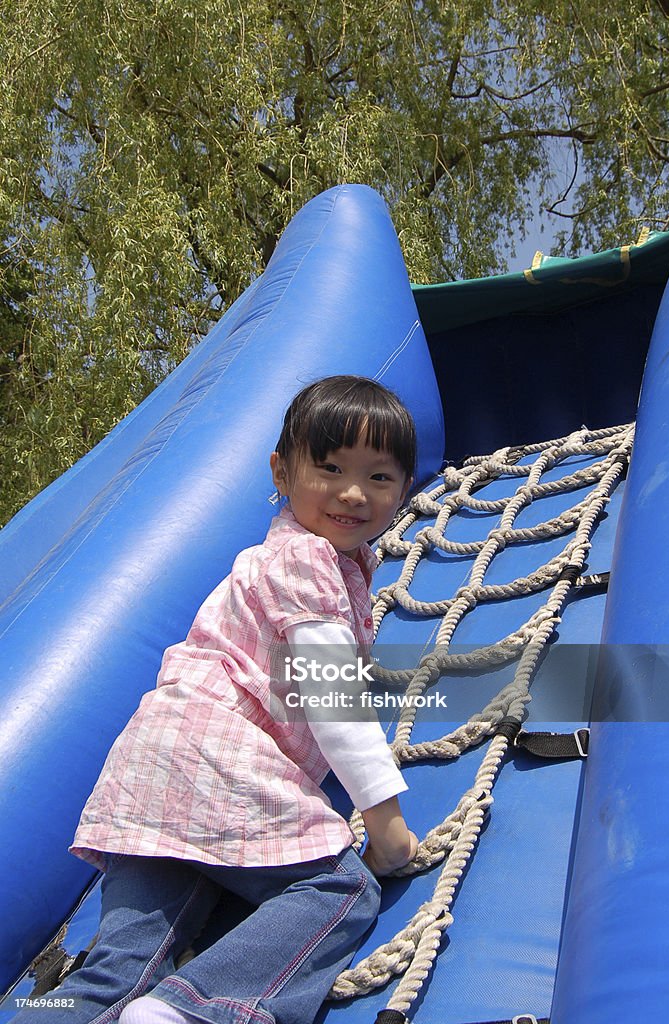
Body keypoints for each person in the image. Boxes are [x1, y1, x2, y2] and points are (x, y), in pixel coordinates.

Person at [14, 375, 418, 1024]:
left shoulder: (278, 558)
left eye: (379, 477)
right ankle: (196, 1008)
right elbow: (331, 694)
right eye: (331, 467)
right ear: (282, 472)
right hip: (224, 761)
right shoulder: (308, 560)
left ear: (404, 489)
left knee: (123, 960)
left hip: (155, 773)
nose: (352, 492)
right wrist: (384, 823)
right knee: (340, 890)